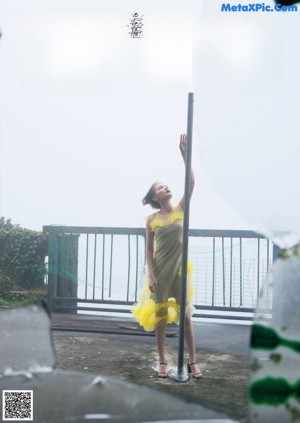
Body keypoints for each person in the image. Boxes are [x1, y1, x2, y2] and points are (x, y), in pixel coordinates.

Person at [132, 133, 202, 379]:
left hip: (181, 270)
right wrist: (151, 275)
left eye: (166, 185)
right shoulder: (151, 220)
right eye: (161, 187)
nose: (166, 187)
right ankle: (162, 361)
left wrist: (185, 155)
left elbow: (191, 182)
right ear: (155, 197)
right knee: (161, 317)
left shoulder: (181, 209)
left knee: (185, 316)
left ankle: (193, 362)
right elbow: (149, 251)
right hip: (160, 271)